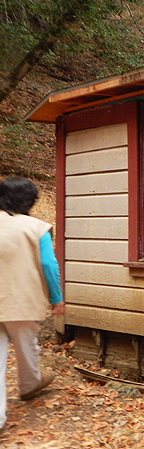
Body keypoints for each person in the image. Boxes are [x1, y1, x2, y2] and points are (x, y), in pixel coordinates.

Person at [0, 177, 64, 438]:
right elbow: (49, 265)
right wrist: (56, 298)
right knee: (28, 348)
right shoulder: (36, 228)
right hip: (22, 302)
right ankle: (29, 384)